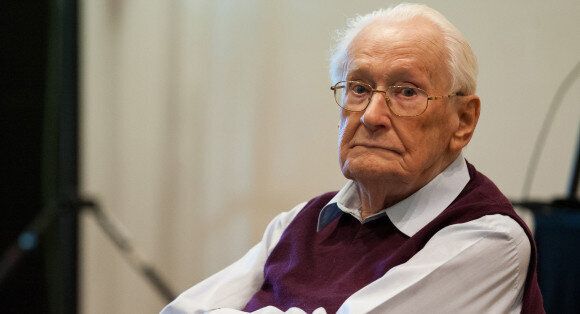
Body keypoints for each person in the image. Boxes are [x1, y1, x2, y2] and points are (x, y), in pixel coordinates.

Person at [162, 3, 544, 313]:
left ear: (463, 120)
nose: (372, 116)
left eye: (406, 92)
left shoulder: (489, 239)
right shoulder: (300, 222)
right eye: (358, 88)